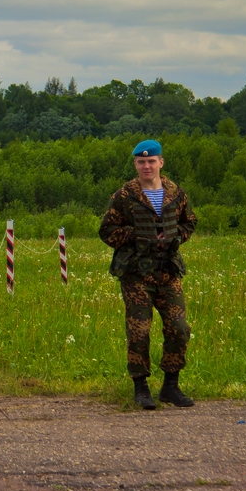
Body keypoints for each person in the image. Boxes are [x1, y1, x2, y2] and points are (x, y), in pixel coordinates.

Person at [99, 139, 197, 410]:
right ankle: (141, 388)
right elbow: (106, 230)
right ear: (135, 164)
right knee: (138, 333)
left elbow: (190, 221)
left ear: (160, 162)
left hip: (168, 271)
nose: (146, 165)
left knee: (179, 330)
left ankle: (170, 387)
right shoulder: (123, 196)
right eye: (141, 162)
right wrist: (138, 235)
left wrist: (175, 235)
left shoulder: (176, 193)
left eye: (151, 161)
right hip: (136, 274)